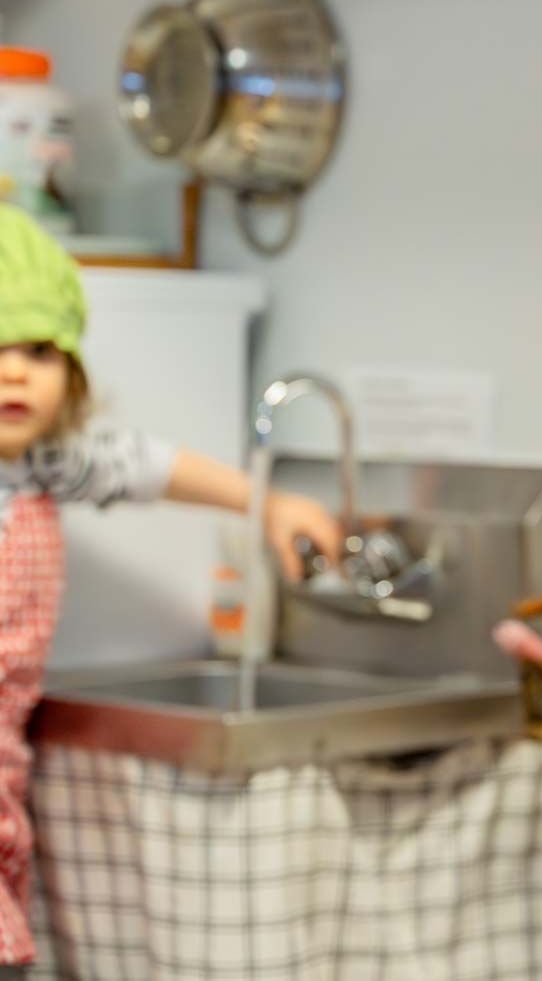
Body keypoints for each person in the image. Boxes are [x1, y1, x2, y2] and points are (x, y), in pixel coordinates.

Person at [0, 206, 342, 975]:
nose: (15, 370)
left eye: (38, 350)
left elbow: (153, 466)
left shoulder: (49, 463)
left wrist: (269, 502)